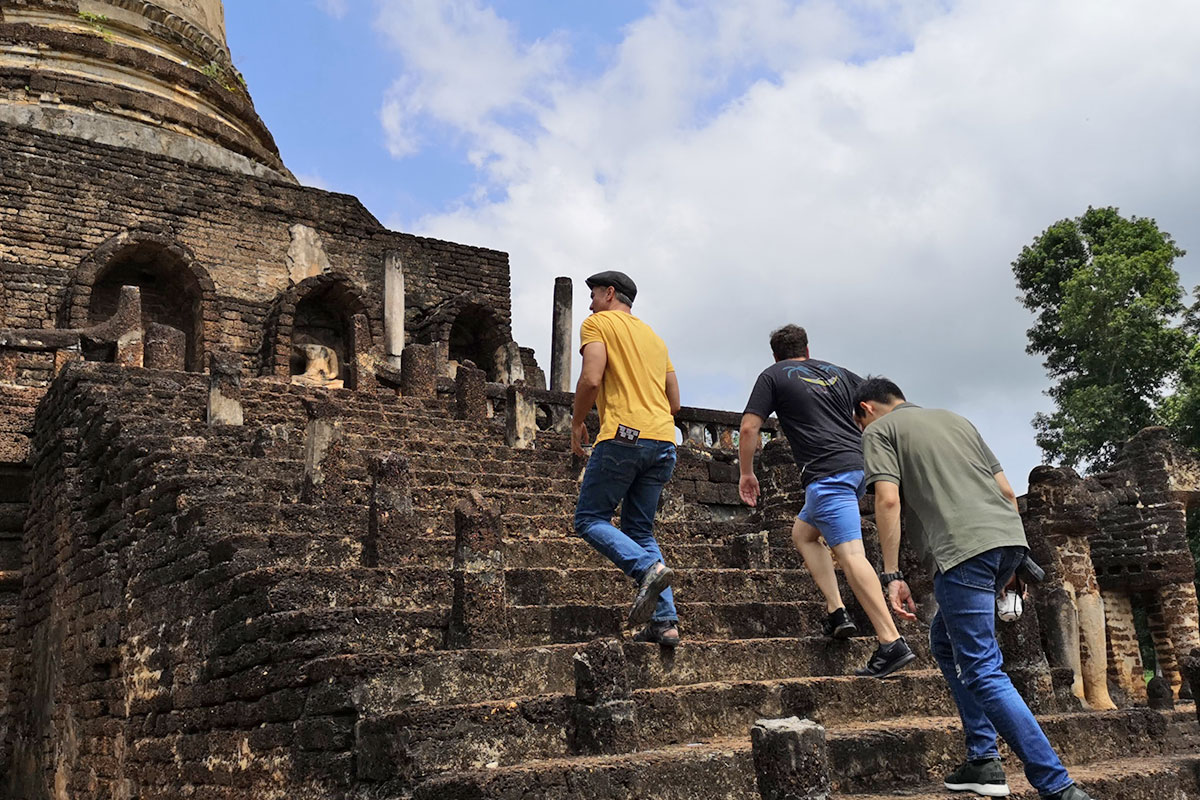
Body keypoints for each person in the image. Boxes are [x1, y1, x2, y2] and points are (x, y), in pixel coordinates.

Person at [854, 376, 1096, 800]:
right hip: (1007, 543)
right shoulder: (956, 420)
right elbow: (1005, 491)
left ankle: (1058, 786)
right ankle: (983, 760)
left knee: (983, 669)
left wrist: (891, 575)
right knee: (945, 642)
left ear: (866, 409)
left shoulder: (879, 430)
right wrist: (1013, 557)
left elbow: (887, 501)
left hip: (962, 551)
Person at [738, 325, 915, 678]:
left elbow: (748, 429)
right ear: (808, 349)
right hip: (858, 467)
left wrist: (746, 473)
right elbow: (883, 406)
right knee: (803, 534)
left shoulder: (773, 376)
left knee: (851, 555)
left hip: (827, 474)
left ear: (776, 355)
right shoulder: (839, 373)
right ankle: (837, 611)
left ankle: (891, 641)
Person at [572, 270, 682, 647]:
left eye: (593, 295)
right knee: (640, 530)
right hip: (664, 440)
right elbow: (675, 402)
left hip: (622, 436)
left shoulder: (597, 323)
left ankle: (646, 568)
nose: (589, 303)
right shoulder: (654, 337)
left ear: (610, 294)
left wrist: (576, 426)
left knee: (589, 519)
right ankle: (666, 623)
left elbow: (590, 379)